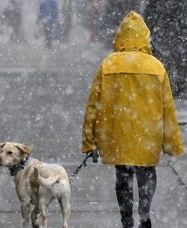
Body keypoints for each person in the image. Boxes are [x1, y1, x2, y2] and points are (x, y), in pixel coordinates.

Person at [81, 11, 184, 228]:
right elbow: (168, 108)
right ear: (145, 37)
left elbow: (92, 106)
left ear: (119, 37)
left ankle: (126, 219)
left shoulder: (108, 65)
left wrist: (90, 141)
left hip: (118, 136)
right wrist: (172, 144)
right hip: (147, 135)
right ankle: (144, 215)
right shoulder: (156, 67)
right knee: (147, 176)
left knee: (123, 180)